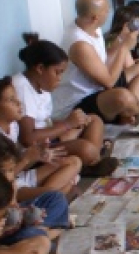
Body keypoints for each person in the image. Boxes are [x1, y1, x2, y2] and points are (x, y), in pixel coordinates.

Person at [52, 0, 139, 124]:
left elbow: (105, 61)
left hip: (99, 87)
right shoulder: (79, 45)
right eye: (106, 11)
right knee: (121, 96)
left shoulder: (93, 27)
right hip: (79, 101)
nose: (109, 13)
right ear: (95, 17)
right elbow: (109, 82)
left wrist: (120, 39)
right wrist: (124, 47)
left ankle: (125, 111)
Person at [13, 34, 116, 177]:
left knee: (93, 120)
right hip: (36, 152)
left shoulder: (41, 84)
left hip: (50, 138)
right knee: (87, 149)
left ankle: (90, 161)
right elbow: (28, 138)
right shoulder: (21, 87)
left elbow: (44, 122)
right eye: (57, 72)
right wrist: (67, 125)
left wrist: (73, 124)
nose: (59, 79)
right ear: (40, 68)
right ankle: (90, 161)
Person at [0, 76, 82, 201]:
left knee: (74, 162)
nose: (19, 103)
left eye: (16, 97)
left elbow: (19, 162)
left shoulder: (12, 125)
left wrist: (39, 154)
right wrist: (27, 159)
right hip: (7, 188)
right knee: (62, 187)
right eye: (12, 100)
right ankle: (49, 196)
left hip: (20, 177)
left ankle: (48, 196)